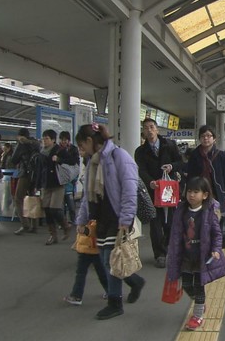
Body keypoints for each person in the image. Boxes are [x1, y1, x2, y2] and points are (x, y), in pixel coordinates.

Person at [75, 123, 146, 320]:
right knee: (109, 260)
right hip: (100, 219)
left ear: (90, 141)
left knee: (110, 260)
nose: (82, 150)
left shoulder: (119, 156)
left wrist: (126, 219)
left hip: (116, 218)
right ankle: (134, 281)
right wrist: (81, 220)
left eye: (82, 146)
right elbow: (87, 197)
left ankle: (115, 302)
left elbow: (130, 190)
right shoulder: (93, 162)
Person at [166, 176, 225, 331]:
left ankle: (197, 316)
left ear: (205, 195)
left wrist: (216, 249)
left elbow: (217, 233)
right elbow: (175, 233)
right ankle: (200, 303)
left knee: (198, 285)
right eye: (189, 191)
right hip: (186, 256)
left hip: (202, 256)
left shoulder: (208, 212)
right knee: (186, 284)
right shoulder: (181, 211)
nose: (191, 195)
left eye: (196, 192)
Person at [134, 118, 183, 268]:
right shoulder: (140, 151)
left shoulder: (170, 145)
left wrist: (172, 167)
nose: (149, 130)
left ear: (157, 129)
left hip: (169, 190)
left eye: (151, 127)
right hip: (153, 191)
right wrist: (150, 182)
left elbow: (180, 162)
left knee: (171, 222)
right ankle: (160, 254)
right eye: (146, 128)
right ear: (143, 132)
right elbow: (141, 170)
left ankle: (168, 246)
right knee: (155, 223)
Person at [36, 129, 75, 245]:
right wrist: (37, 184)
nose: (44, 141)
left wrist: (59, 159)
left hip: (58, 183)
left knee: (54, 208)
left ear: (53, 140)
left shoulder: (59, 150)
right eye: (43, 138)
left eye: (47, 138)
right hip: (46, 184)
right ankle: (53, 235)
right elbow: (39, 169)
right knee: (47, 209)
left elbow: (72, 160)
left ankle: (65, 225)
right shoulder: (42, 152)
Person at [186, 125, 225, 217]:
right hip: (198, 194)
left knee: (214, 223)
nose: (205, 138)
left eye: (209, 136)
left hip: (215, 195)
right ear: (199, 139)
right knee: (198, 223)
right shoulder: (194, 155)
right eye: (202, 136)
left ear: (214, 139)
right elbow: (190, 177)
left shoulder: (222, 156)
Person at [63, 220, 109, 306]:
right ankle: (110, 291)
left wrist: (83, 233)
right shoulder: (92, 217)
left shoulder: (89, 218)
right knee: (101, 273)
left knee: (81, 273)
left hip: (89, 249)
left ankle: (77, 296)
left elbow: (90, 232)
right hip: (93, 249)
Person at [11, 128, 41, 234]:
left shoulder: (21, 145)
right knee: (33, 199)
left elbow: (13, 159)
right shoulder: (35, 143)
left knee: (18, 199)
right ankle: (35, 226)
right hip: (35, 175)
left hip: (25, 175)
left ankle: (25, 224)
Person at [59, 131, 80, 225]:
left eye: (65, 140)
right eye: (62, 140)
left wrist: (75, 176)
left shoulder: (73, 149)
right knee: (61, 204)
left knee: (71, 203)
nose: (63, 142)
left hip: (71, 179)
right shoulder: (58, 149)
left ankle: (73, 219)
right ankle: (63, 221)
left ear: (69, 140)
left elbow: (75, 161)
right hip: (61, 177)